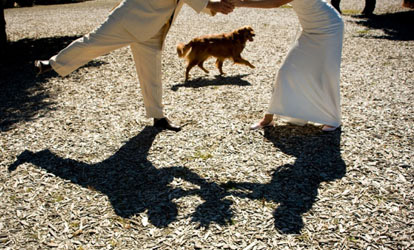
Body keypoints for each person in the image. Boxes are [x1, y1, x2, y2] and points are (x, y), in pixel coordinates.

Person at [34, 0, 235, 132]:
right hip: (128, 20)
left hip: (152, 29)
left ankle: (158, 118)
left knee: (152, 74)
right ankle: (51, 63)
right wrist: (212, 4)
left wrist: (219, 5)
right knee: (92, 43)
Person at [234, 0, 344, 132]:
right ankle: (268, 118)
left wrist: (240, 3)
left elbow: (275, 3)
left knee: (325, 72)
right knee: (285, 71)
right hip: (309, 29)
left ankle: (332, 117)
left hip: (329, 27)